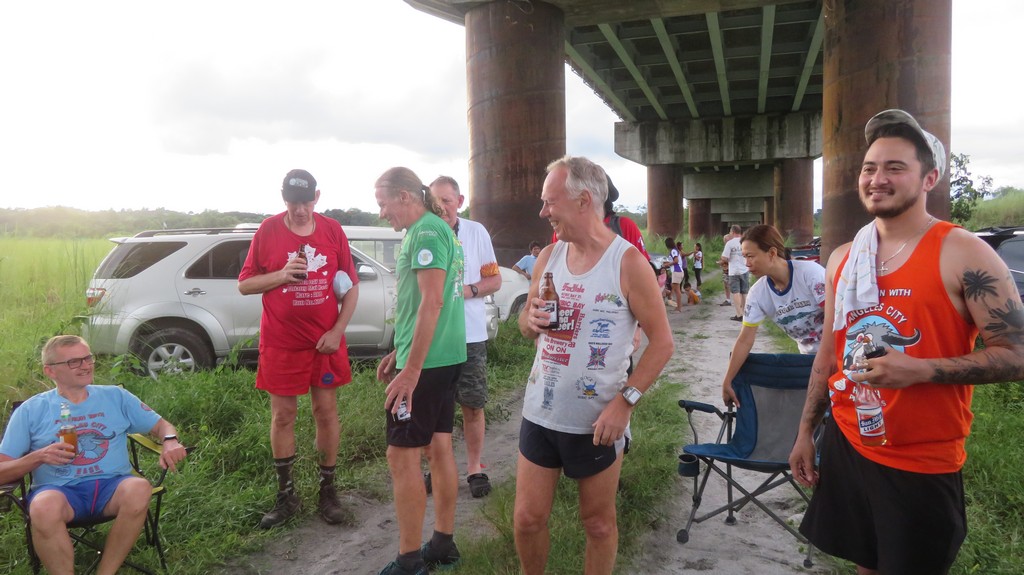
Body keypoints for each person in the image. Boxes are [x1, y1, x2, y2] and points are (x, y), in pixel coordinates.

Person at [788, 109, 1024, 575]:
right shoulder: (843, 258)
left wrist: (919, 370)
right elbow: (829, 356)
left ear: (929, 178)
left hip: (921, 459)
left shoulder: (962, 251)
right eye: (870, 167)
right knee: (866, 563)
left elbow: (1017, 355)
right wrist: (804, 432)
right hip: (849, 440)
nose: (877, 179)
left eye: (895, 167)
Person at [515, 155, 674, 575]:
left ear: (583, 200)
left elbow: (662, 344)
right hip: (541, 411)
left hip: (598, 421)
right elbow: (526, 325)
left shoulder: (628, 263)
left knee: (598, 524)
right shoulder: (549, 257)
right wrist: (529, 321)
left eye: (550, 202)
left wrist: (625, 404)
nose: (543, 212)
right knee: (527, 519)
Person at [0, 335, 188, 575]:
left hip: (112, 486)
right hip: (60, 491)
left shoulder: (115, 397)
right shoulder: (30, 410)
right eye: (74, 362)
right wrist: (38, 457)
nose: (86, 366)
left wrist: (170, 441)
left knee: (139, 488)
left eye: (88, 358)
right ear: (50, 371)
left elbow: (163, 426)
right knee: (43, 507)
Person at [238, 168, 360, 529]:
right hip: (281, 342)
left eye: (307, 202)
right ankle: (286, 495)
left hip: (324, 343)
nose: (301, 210)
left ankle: (328, 492)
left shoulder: (332, 230)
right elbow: (245, 285)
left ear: (316, 197)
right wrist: (280, 274)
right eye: (294, 202)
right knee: (283, 416)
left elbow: (351, 286)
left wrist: (337, 331)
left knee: (326, 412)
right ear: (283, 199)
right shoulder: (268, 230)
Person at [374, 167, 466, 575]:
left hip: (427, 365)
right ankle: (442, 544)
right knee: (438, 447)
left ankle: (409, 560)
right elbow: (421, 303)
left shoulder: (426, 232)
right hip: (442, 355)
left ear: (405, 196)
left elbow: (433, 302)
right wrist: (400, 348)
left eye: (383, 204)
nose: (382, 213)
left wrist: (411, 369)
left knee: (401, 455)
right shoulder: (433, 228)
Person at [429, 175, 502, 498]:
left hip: (470, 335)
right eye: (435, 201)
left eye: (447, 200)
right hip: (433, 336)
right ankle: (438, 468)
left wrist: (466, 291)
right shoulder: (425, 233)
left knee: (472, 404)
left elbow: (494, 280)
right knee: (435, 408)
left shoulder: (476, 232)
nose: (441, 207)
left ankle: (474, 468)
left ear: (459, 202)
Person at [720, 224, 825, 407]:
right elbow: (745, 340)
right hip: (808, 363)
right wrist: (728, 380)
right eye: (744, 257)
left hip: (839, 354)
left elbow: (837, 319)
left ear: (771, 253)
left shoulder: (810, 273)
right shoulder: (758, 293)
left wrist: (829, 359)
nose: (746, 263)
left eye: (751, 256)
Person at [720, 225, 749, 320]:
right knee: (744, 292)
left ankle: (739, 314)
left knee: (736, 292)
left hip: (733, 271)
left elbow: (724, 257)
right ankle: (745, 314)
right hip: (744, 269)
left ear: (732, 232)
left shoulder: (730, 243)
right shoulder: (745, 242)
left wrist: (725, 260)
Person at [664, 237, 685, 312]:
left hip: (677, 271)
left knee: (677, 291)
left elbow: (676, 261)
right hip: (678, 271)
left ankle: (679, 307)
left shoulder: (673, 251)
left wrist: (668, 264)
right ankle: (678, 306)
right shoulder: (675, 250)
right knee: (676, 289)